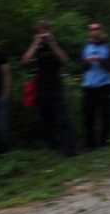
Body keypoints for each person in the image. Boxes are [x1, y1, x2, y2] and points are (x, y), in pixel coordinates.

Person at [22, 20, 74, 155]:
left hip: (56, 86)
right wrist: (35, 43)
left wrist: (52, 43)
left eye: (46, 30)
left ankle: (69, 150)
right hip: (40, 88)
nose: (43, 33)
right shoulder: (37, 47)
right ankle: (53, 147)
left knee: (63, 118)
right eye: (40, 30)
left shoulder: (55, 43)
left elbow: (65, 60)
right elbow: (25, 60)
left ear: (51, 30)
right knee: (46, 120)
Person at [80, 21, 110, 150]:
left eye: (96, 29)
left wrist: (101, 60)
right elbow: (81, 67)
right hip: (89, 85)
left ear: (101, 31)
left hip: (105, 84)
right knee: (88, 115)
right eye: (91, 29)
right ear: (89, 32)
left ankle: (105, 142)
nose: (94, 31)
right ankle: (90, 144)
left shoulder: (109, 46)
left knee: (105, 114)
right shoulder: (86, 47)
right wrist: (88, 62)